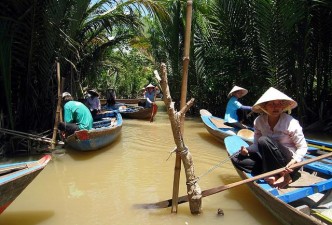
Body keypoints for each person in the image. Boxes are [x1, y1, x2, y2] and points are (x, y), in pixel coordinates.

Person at [232, 87, 308, 189]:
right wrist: (246, 151)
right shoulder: (259, 121)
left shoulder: (291, 122)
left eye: (279, 104)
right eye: (272, 104)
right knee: (236, 158)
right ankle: (273, 173)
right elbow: (256, 145)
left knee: (263, 140)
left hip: (288, 161)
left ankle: (284, 175)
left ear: (283, 107)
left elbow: (303, 147)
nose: (276, 107)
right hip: (269, 160)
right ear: (265, 106)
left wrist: (294, 161)